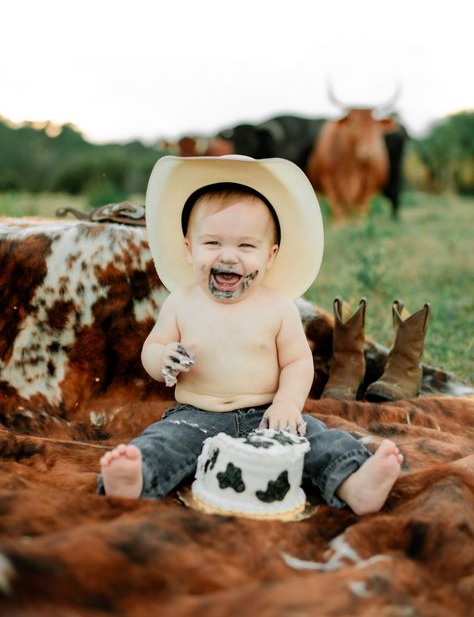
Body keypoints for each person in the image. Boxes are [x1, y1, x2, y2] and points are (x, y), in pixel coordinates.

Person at [98, 155, 403, 515]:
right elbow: (153, 348)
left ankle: (355, 482)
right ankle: (135, 479)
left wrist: (286, 405)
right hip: (197, 414)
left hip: (268, 413)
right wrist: (163, 357)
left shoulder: (277, 306)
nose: (229, 256)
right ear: (188, 248)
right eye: (212, 243)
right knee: (164, 442)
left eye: (246, 246)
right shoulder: (181, 302)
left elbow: (296, 362)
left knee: (319, 440)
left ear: (270, 256)